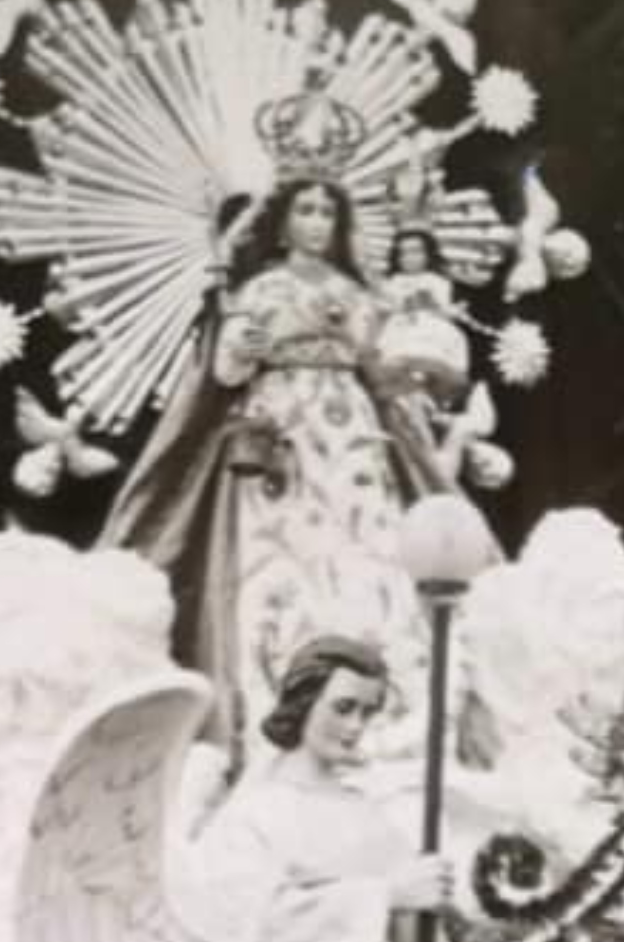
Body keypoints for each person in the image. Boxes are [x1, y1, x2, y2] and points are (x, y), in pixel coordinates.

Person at [98, 178, 473, 780]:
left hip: (353, 441)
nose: (317, 222)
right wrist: (240, 347)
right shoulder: (259, 289)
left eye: (327, 211)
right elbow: (225, 373)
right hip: (282, 440)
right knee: (281, 574)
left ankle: (388, 735)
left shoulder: (358, 292)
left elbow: (383, 372)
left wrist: (404, 357)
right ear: (282, 221)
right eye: (305, 209)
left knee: (369, 565)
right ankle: (283, 728)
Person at [194, 636, 464, 942]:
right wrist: (385, 897)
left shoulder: (373, 819)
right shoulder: (252, 815)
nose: (356, 726)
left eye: (368, 711)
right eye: (343, 708)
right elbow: (252, 939)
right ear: (302, 701)